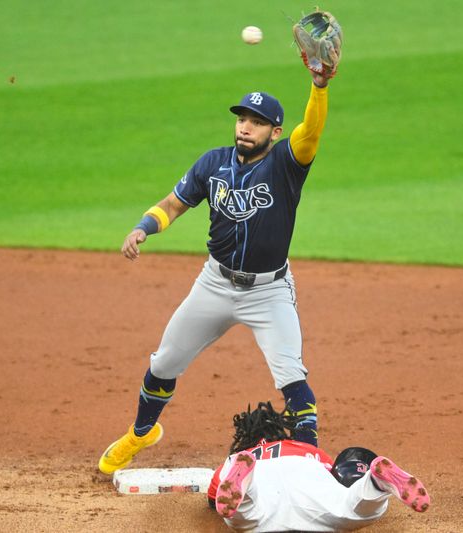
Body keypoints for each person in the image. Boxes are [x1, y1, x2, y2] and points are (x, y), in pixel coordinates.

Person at [97, 49, 336, 475]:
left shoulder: (287, 162)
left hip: (268, 291)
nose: (246, 127)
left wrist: (319, 87)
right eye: (242, 118)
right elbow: (172, 205)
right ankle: (141, 433)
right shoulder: (213, 163)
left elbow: (312, 131)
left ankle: (312, 470)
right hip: (215, 284)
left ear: (275, 131)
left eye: (257, 122)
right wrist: (142, 228)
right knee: (163, 364)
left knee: (292, 380)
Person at [207, 402, 430, 532]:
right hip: (309, 472)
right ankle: (375, 483)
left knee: (244, 516)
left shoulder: (245, 455)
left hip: (260, 475)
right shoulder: (307, 449)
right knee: (348, 507)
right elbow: (338, 479)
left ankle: (246, 483)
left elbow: (213, 496)